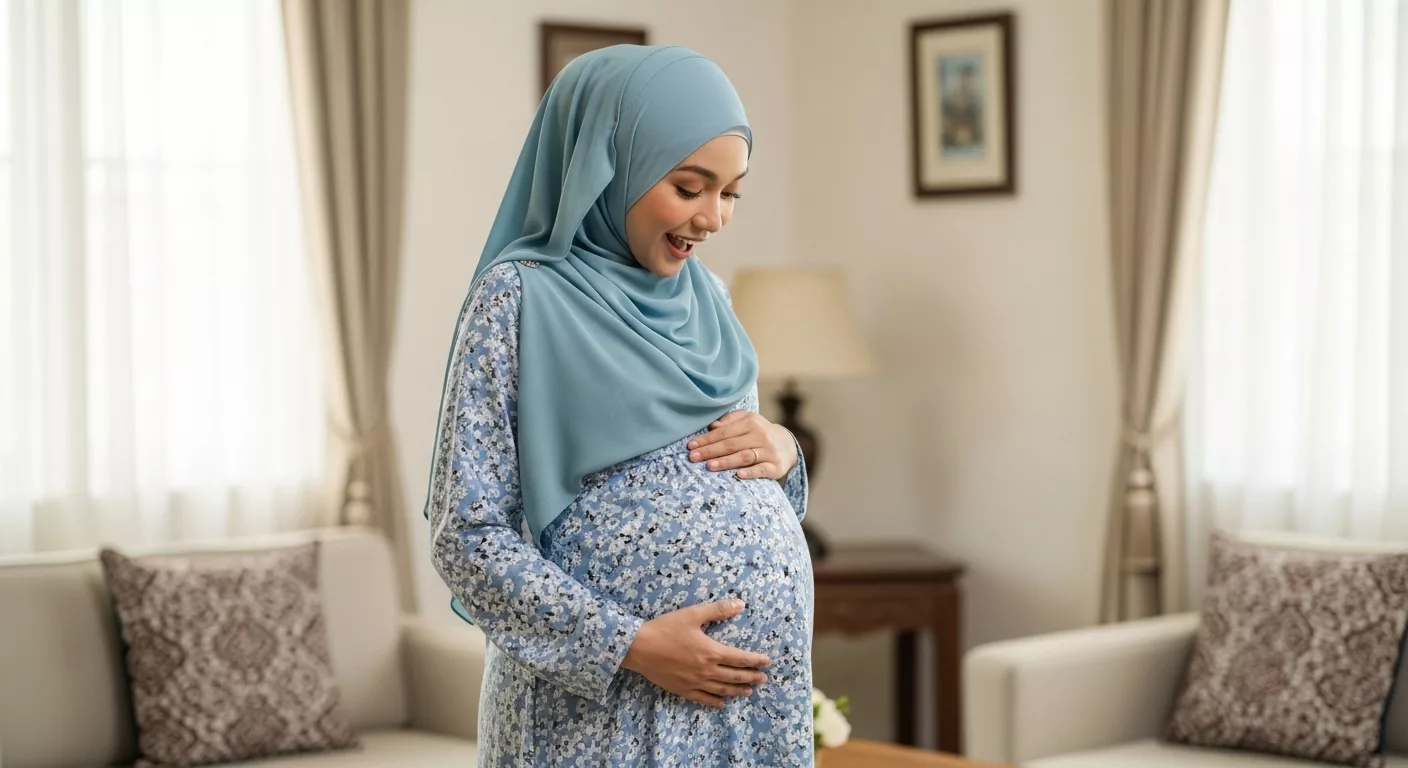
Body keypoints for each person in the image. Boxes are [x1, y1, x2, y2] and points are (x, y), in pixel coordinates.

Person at [424, 45, 814, 765]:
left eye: (731, 192)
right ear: (613, 163)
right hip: (601, 709)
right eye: (690, 187)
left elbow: (746, 472)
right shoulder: (519, 299)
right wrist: (630, 646)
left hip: (749, 718)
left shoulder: (711, 302)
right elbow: (467, 536)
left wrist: (785, 453)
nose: (715, 218)